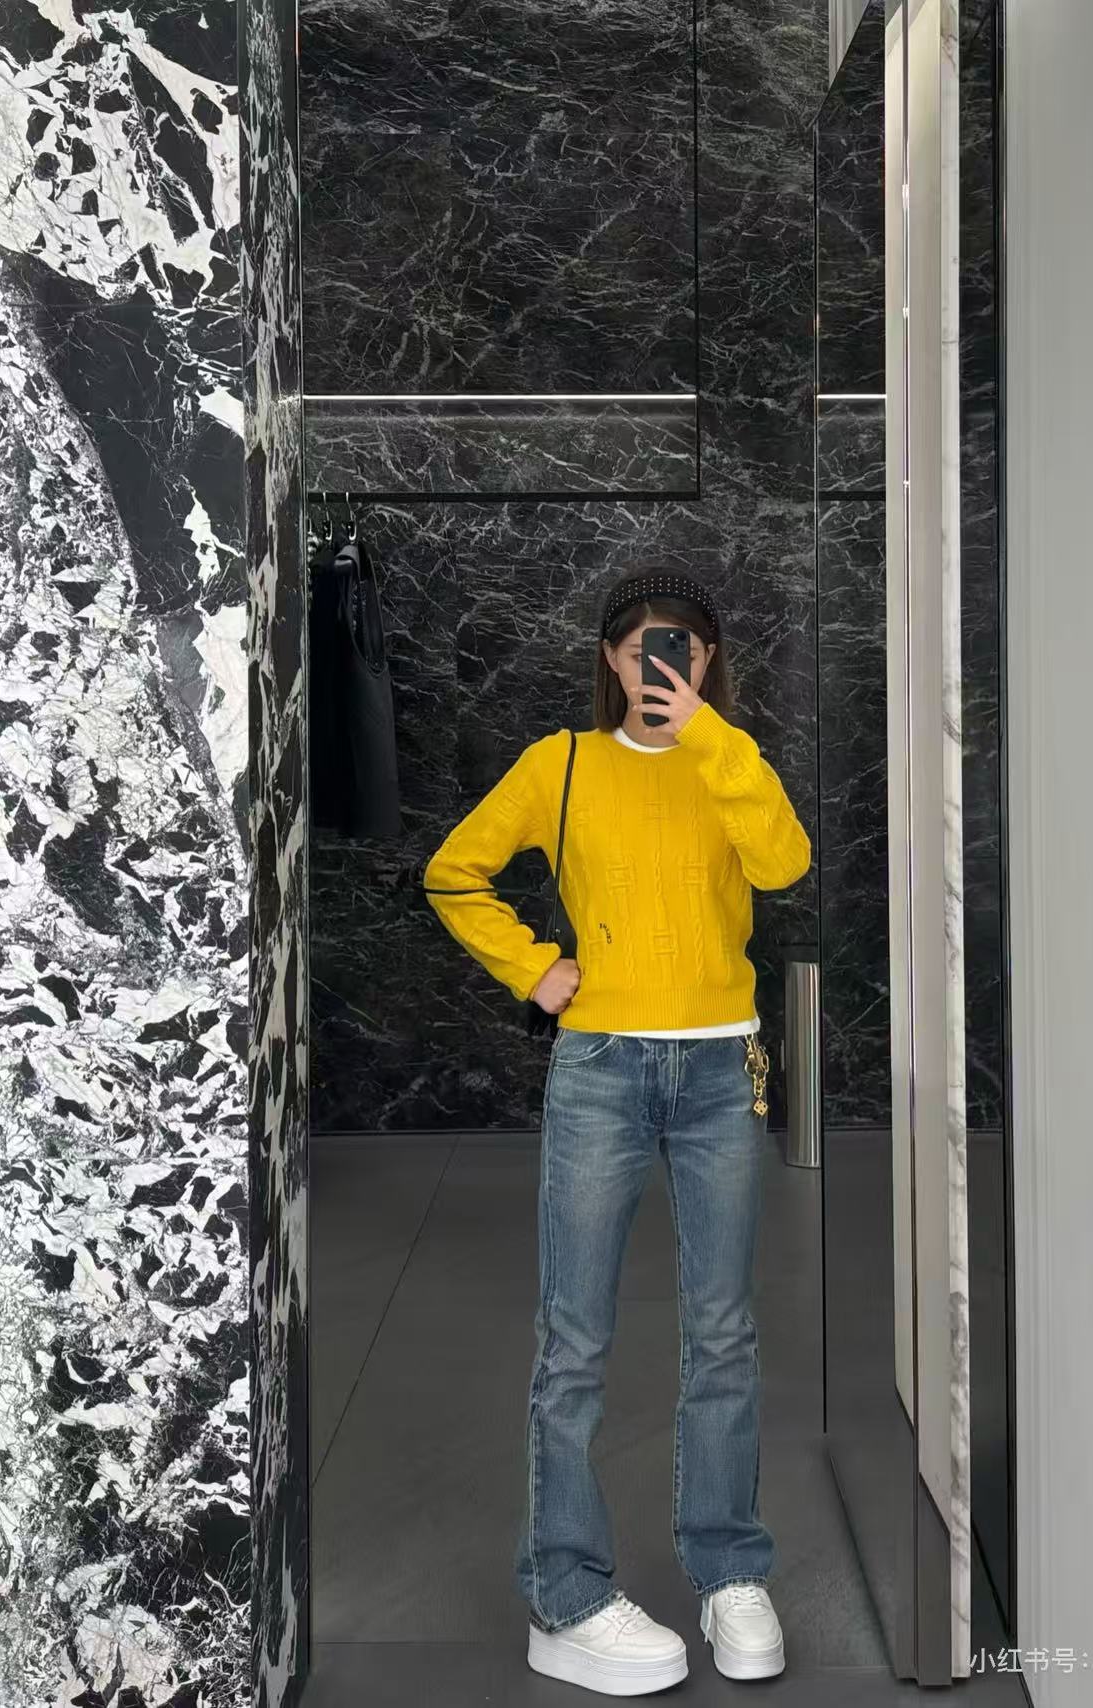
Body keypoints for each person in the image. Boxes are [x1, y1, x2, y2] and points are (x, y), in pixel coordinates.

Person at [422, 569, 811, 1696]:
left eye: (683, 649)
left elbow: (783, 864)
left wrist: (710, 737)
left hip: (720, 1066)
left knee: (724, 1331)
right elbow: (453, 874)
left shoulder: (728, 762)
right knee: (575, 1339)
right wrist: (535, 969)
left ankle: (729, 1568)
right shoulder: (561, 764)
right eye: (646, 648)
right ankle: (566, 1594)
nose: (663, 666)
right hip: (599, 1068)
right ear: (610, 657)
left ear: (707, 661)